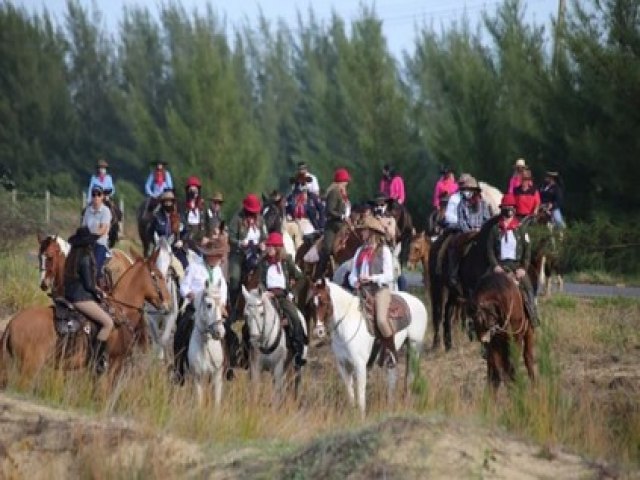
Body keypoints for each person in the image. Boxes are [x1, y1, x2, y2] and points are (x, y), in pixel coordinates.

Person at [174, 238, 228, 383]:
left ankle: (227, 366)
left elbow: (222, 289)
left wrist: (222, 304)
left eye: (220, 255)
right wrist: (189, 294)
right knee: (182, 329)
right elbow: (183, 286)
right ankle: (178, 369)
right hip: (196, 307)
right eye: (217, 255)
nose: (219, 259)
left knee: (228, 332)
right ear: (209, 255)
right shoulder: (194, 267)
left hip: (214, 308)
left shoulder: (218, 271)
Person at [348, 217, 397, 366]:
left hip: (379, 289)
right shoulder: (359, 251)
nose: (362, 233)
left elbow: (389, 275)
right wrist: (354, 281)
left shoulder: (384, 251)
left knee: (381, 319)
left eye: (364, 230)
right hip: (362, 289)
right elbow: (352, 273)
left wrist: (372, 278)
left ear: (372, 232)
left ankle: (391, 352)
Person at [64, 226, 113, 374]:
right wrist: (100, 293)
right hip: (81, 298)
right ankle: (96, 360)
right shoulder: (85, 258)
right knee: (108, 323)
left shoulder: (72, 257)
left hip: (69, 296)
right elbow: (89, 284)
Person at [487, 193, 539, 325]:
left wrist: (523, 268)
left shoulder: (521, 229)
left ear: (515, 209)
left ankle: (533, 316)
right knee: (483, 286)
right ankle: (480, 322)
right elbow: (490, 250)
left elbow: (527, 251)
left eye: (511, 207)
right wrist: (495, 266)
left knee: (528, 288)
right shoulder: (495, 229)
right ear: (501, 208)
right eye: (506, 206)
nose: (508, 209)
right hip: (500, 266)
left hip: (516, 266)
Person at [257, 232, 306, 369]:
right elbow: (260, 280)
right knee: (251, 318)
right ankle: (246, 354)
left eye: (272, 246)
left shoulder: (287, 261)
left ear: (278, 248)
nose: (269, 249)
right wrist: (264, 292)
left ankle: (298, 353)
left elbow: (300, 278)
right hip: (267, 295)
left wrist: (292, 292)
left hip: (283, 295)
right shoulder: (263, 262)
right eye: (268, 246)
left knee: (295, 319)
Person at [227, 193, 267, 322]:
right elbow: (230, 237)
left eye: (254, 212)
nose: (252, 215)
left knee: (264, 272)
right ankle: (232, 307)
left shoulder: (260, 220)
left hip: (256, 252)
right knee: (234, 277)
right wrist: (239, 242)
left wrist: (263, 244)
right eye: (250, 212)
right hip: (239, 252)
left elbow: (265, 236)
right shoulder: (237, 219)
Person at [447, 177, 491, 289]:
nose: (467, 191)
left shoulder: (483, 204)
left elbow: (487, 219)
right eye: (465, 189)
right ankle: (454, 273)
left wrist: (481, 230)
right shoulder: (461, 204)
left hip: (481, 232)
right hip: (467, 233)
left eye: (469, 189)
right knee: (454, 246)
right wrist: (470, 232)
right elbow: (462, 222)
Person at [314, 168, 351, 281]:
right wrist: (341, 216)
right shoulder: (334, 193)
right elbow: (329, 210)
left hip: (343, 225)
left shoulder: (343, 193)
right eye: (345, 181)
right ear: (341, 181)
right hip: (332, 226)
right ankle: (318, 275)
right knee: (327, 248)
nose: (347, 183)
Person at [81, 185, 112, 285]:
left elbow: (103, 229)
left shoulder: (106, 211)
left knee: (96, 267)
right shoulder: (88, 211)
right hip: (87, 243)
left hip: (100, 243)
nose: (96, 197)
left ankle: (98, 289)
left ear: (102, 196)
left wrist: (92, 236)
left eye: (98, 194)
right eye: (93, 194)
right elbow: (84, 227)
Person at [151, 190, 185, 278]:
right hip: (159, 249)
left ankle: (180, 290)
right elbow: (150, 232)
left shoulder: (178, 216)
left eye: (170, 201)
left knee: (182, 269)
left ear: (173, 202)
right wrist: (156, 242)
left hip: (174, 249)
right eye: (166, 201)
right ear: (162, 203)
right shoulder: (157, 217)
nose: (168, 204)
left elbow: (185, 231)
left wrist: (181, 241)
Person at [182, 176, 206, 247]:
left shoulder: (201, 207)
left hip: (199, 239)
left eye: (195, 190)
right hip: (186, 238)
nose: (194, 193)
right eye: (191, 190)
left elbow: (204, 223)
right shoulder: (183, 206)